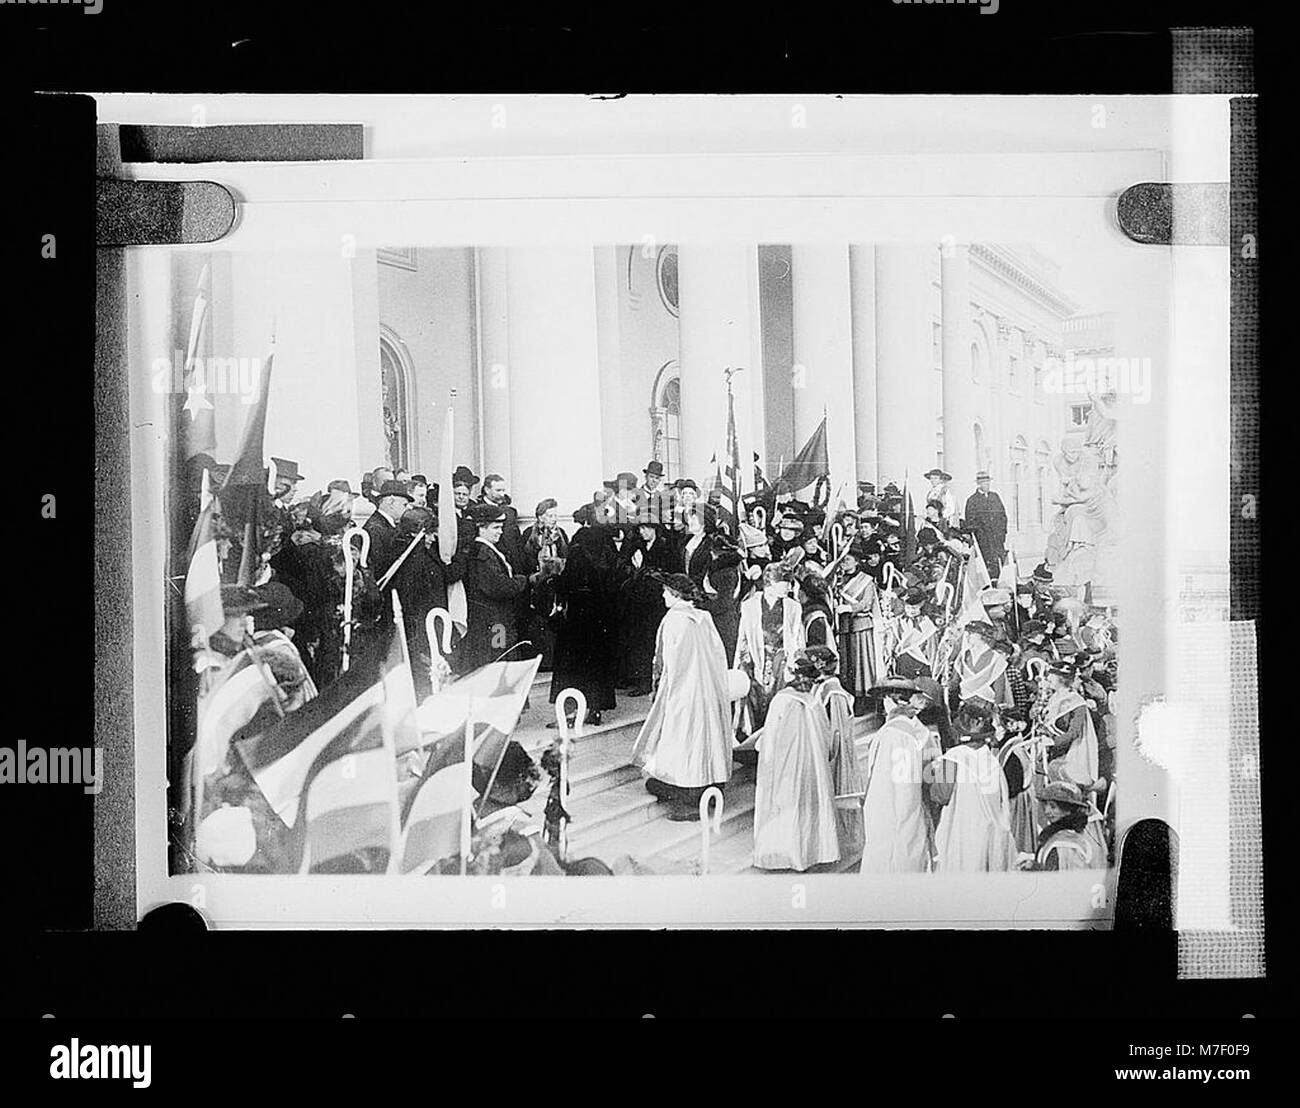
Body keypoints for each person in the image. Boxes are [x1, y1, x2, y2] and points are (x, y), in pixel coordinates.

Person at [631, 573, 733, 821]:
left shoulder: (673, 620)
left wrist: (661, 689)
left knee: (683, 739)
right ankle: (710, 786)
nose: (663, 596)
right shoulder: (704, 617)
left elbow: (665, 660)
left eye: (666, 592)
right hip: (709, 689)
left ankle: (687, 794)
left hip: (683, 690)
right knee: (707, 739)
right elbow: (719, 655)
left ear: (676, 595)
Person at [752, 653, 841, 871]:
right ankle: (812, 851)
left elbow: (770, 738)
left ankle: (785, 854)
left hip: (785, 767)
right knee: (807, 805)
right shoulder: (813, 703)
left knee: (786, 807)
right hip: (812, 767)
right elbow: (827, 736)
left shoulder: (781, 700)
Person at [859, 676, 939, 874]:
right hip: (916, 805)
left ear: (891, 701)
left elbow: (884, 781)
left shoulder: (892, 734)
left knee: (888, 858)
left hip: (890, 807)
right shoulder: (922, 731)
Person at [929, 702, 1020, 873]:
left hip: (962, 829)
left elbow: (940, 795)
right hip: (991, 831)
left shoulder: (953, 758)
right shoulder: (992, 760)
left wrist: (933, 776)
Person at [548, 518, 618, 726]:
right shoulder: (606, 548)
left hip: (577, 620)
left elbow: (569, 582)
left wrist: (553, 579)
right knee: (597, 664)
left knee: (572, 667)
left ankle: (571, 713)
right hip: (601, 618)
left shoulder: (579, 546)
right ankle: (595, 709)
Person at [460, 502, 539, 672]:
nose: (500, 532)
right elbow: (499, 587)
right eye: (495, 528)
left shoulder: (485, 550)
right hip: (495, 622)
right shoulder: (483, 553)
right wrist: (526, 580)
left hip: (495, 620)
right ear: (481, 527)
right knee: (499, 659)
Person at [808, 645, 866, 859]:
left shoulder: (832, 691)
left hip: (833, 751)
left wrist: (828, 754)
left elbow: (837, 730)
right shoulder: (824, 686)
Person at [736, 562, 806, 729]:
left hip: (781, 661)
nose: (788, 588)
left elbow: (797, 638)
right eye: (785, 583)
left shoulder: (793, 607)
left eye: (789, 583)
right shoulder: (750, 605)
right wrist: (742, 662)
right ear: (771, 583)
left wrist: (797, 662)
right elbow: (743, 637)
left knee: (780, 702)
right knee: (754, 702)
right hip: (755, 657)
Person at [621, 521, 677, 696]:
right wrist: (635, 569)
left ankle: (655, 680)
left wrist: (647, 570)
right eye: (640, 529)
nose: (642, 532)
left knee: (655, 640)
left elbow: (671, 573)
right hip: (639, 602)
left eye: (646, 528)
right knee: (641, 641)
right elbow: (624, 567)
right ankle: (642, 680)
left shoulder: (665, 547)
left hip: (657, 602)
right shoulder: (637, 547)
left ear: (655, 529)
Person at [1037, 661, 1100, 790]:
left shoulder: (1077, 702)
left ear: (1061, 679)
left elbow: (1074, 732)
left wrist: (1053, 742)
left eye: (1051, 675)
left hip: (1069, 755)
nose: (1048, 678)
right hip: (1049, 753)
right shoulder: (1052, 697)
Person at [1017, 780, 1106, 870]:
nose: (1047, 811)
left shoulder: (1064, 844)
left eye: (1053, 807)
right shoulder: (1073, 834)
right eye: (1045, 806)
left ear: (1067, 809)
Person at [834, 549, 880, 710]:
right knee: (847, 663)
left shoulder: (866, 580)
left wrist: (848, 607)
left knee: (861, 662)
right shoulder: (837, 580)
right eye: (842, 560)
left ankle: (863, 698)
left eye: (847, 560)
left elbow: (867, 603)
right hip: (844, 625)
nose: (844, 563)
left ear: (856, 562)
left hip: (861, 625)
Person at [363, 480, 414, 585]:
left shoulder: (383, 524)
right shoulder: (375, 528)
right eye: (404, 504)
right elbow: (379, 567)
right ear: (391, 502)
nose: (407, 508)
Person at [478, 474, 524, 572]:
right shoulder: (478, 511)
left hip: (513, 564)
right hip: (492, 565)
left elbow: (517, 540)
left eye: (503, 490)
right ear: (487, 490)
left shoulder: (510, 512)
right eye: (498, 490)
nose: (502, 494)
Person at [964, 470, 1008, 572]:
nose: (987, 485)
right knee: (986, 566)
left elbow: (1003, 516)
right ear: (978, 484)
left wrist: (1002, 533)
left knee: (1000, 563)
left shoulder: (995, 497)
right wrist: (980, 535)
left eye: (988, 482)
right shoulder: (972, 500)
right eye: (984, 482)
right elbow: (970, 522)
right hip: (984, 541)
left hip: (998, 538)